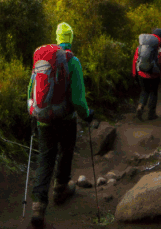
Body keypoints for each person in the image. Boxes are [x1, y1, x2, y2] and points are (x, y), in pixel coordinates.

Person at [27, 22, 94, 227]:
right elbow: (78, 100)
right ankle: (60, 188)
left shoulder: (43, 58)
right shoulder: (72, 61)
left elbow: (31, 88)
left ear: (57, 38)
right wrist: (87, 115)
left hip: (44, 119)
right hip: (65, 120)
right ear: (71, 38)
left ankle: (38, 205)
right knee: (65, 151)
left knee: (45, 158)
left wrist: (35, 111)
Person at [132, 29, 161, 120]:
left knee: (144, 91)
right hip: (154, 76)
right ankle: (151, 114)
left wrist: (134, 73)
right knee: (153, 93)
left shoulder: (140, 47)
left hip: (141, 73)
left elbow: (135, 61)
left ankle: (140, 106)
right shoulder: (159, 50)